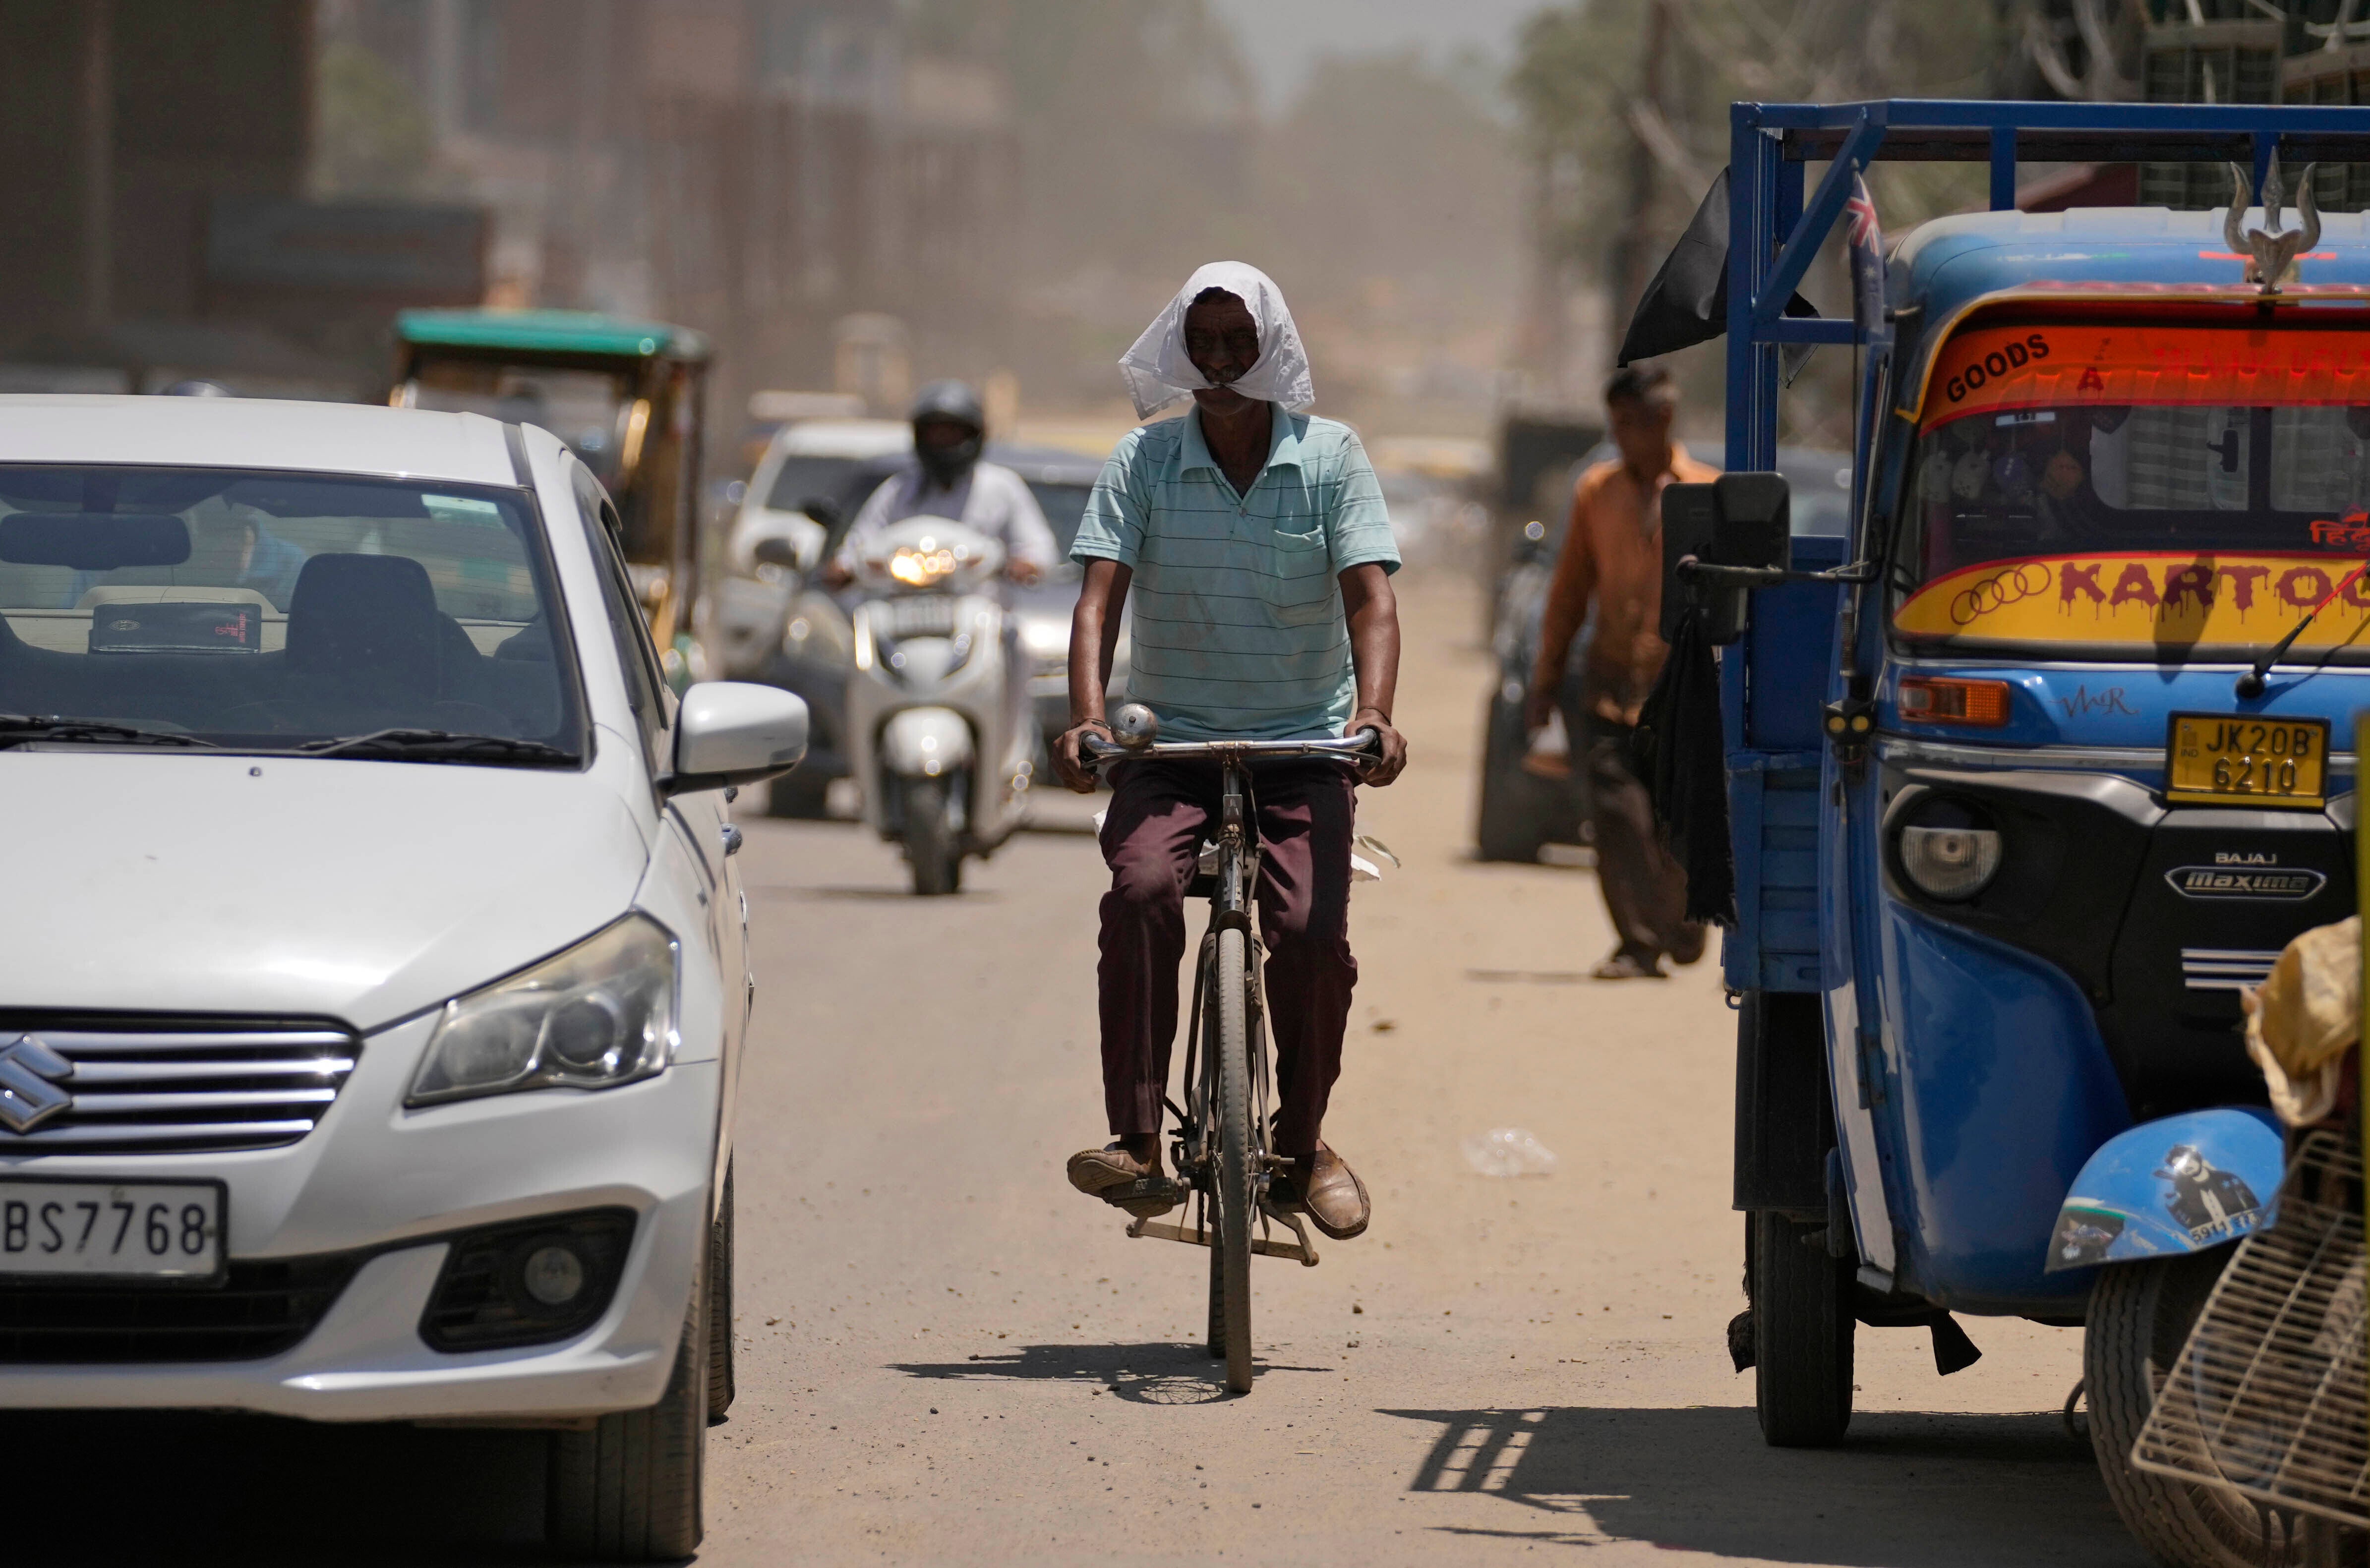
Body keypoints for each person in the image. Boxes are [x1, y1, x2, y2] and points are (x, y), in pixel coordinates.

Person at [1050, 261, 1408, 1242]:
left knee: (1307, 931)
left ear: (1270, 351)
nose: (1215, 365)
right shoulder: (1144, 461)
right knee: (1137, 894)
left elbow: (1370, 598)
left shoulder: (1331, 458)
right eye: (1199, 345)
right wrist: (1088, 718)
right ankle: (1135, 1139)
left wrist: (1374, 715)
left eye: (1235, 346)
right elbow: (1096, 602)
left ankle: (1299, 1144)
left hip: (1303, 743)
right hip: (1168, 743)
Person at [1525, 363, 1718, 981]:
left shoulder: (1708, 493)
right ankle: (1638, 943)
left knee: (1673, 817)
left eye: (1634, 424)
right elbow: (1568, 591)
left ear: (1663, 420)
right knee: (1616, 813)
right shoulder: (1595, 492)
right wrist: (1545, 682)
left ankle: (1681, 925)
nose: (1624, 437)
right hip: (1608, 684)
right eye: (1617, 426)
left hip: (1680, 690)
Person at [823, 380, 1057, 588]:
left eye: (952, 433)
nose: (944, 443)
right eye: (936, 433)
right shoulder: (899, 489)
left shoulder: (1002, 488)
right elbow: (859, 544)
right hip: (902, 604)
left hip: (982, 609)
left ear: (974, 436)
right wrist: (843, 567)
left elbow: (1037, 548)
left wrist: (1025, 565)